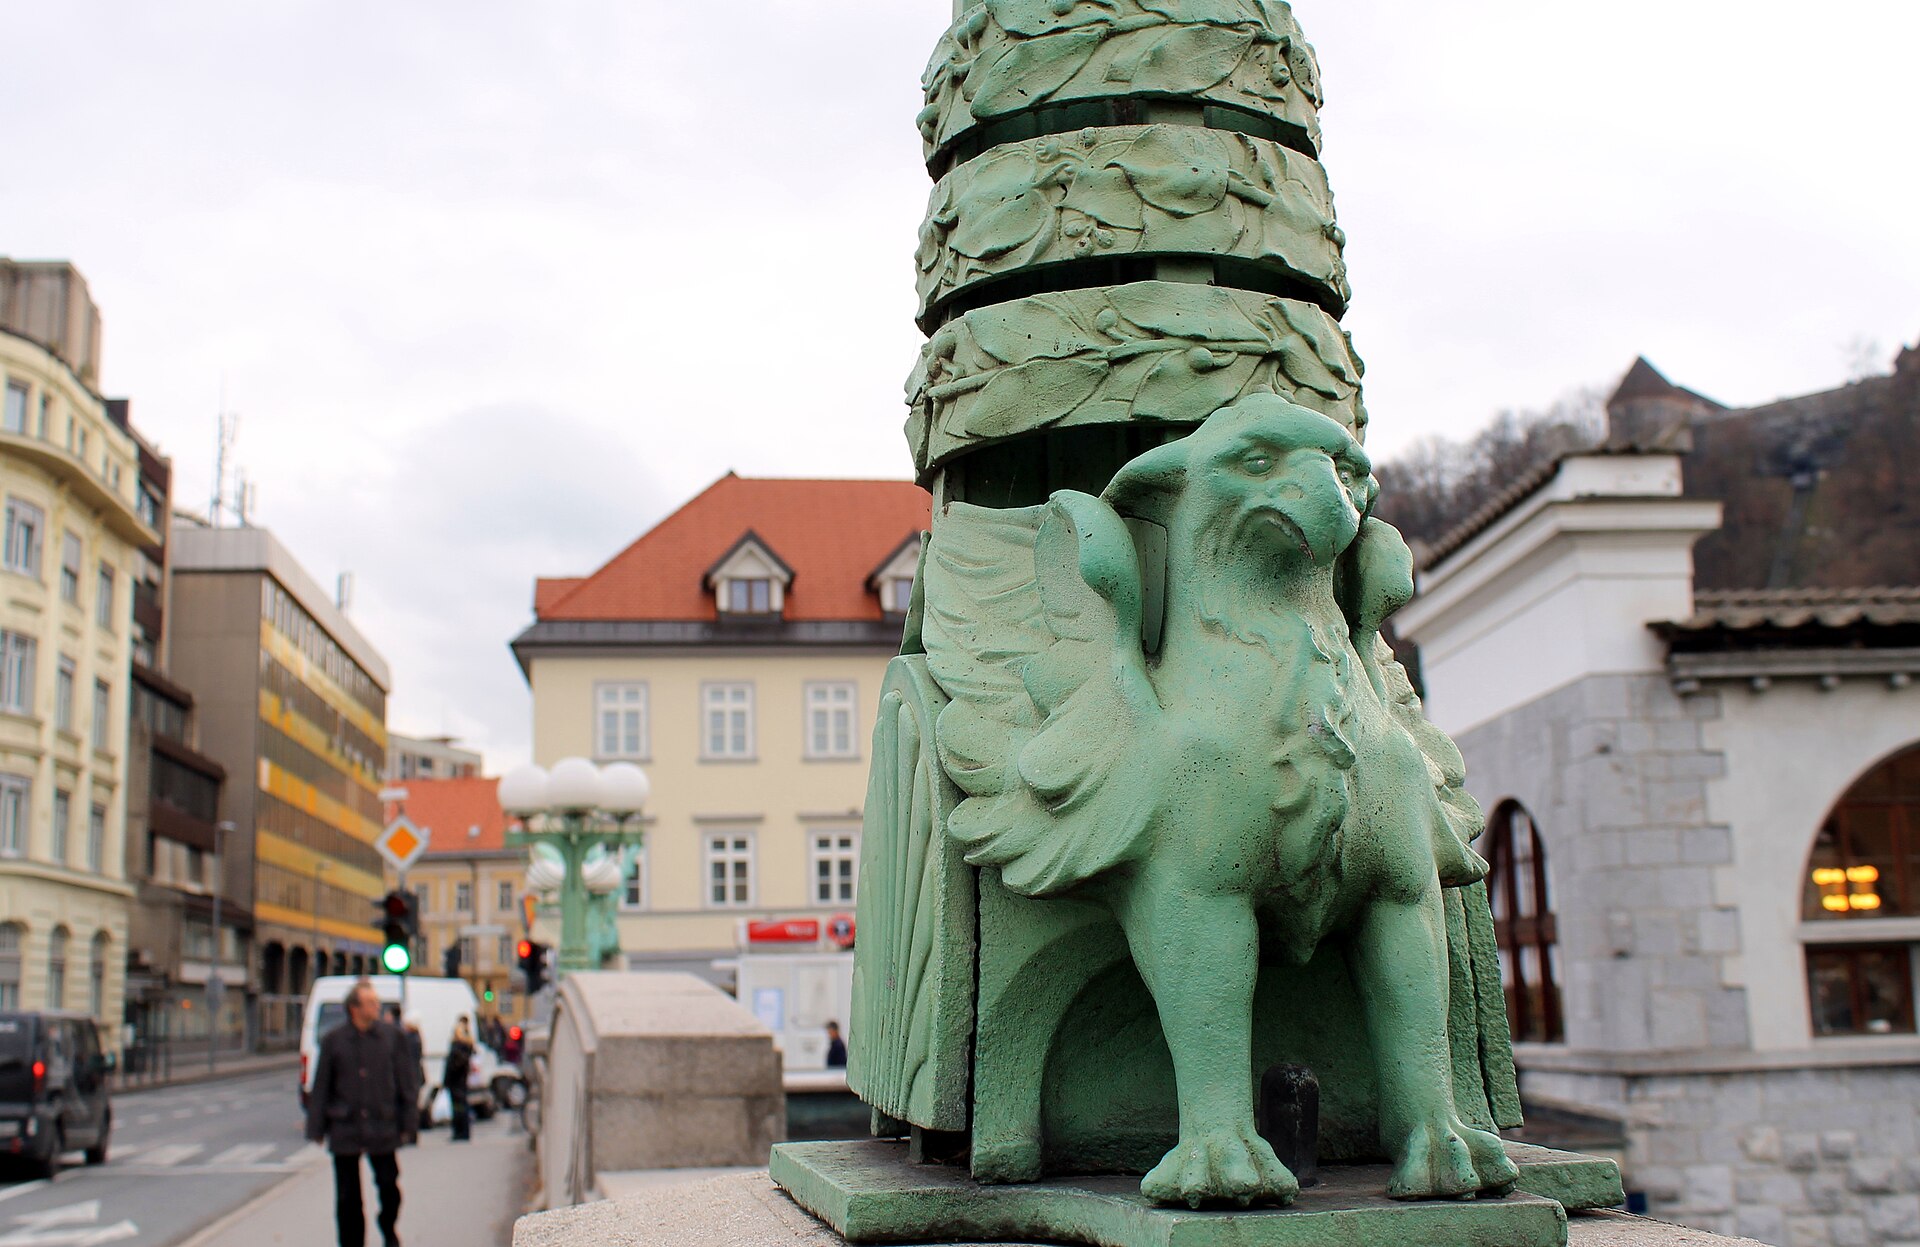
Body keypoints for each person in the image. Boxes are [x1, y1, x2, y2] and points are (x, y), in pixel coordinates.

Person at [306, 980, 419, 1247]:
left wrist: (409, 1122)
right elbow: (321, 1086)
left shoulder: (392, 1037)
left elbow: (407, 1081)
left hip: (383, 1124)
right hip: (346, 1126)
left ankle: (388, 1227)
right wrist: (317, 1127)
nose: (377, 1007)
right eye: (370, 1003)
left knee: (389, 1188)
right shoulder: (334, 1041)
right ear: (354, 1008)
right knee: (347, 1197)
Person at [444, 1017, 475, 1142]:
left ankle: (460, 1131)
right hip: (460, 1081)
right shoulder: (466, 1046)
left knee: (458, 1107)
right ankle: (462, 1131)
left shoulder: (458, 1047)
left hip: (456, 1081)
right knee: (460, 1106)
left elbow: (453, 1065)